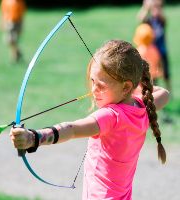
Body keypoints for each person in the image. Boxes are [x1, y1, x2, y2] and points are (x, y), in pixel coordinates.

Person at [10, 40, 170, 199]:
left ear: (126, 87)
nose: (93, 90)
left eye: (101, 85)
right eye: (93, 81)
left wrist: (33, 137)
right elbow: (164, 93)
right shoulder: (142, 108)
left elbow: (72, 129)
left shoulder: (111, 116)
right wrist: (129, 87)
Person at [136, 0, 171, 92]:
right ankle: (156, 93)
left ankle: (169, 91)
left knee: (166, 73)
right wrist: (146, 7)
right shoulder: (149, 20)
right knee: (153, 74)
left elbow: (163, 17)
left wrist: (156, 6)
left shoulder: (160, 20)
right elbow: (140, 18)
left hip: (161, 49)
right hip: (151, 52)